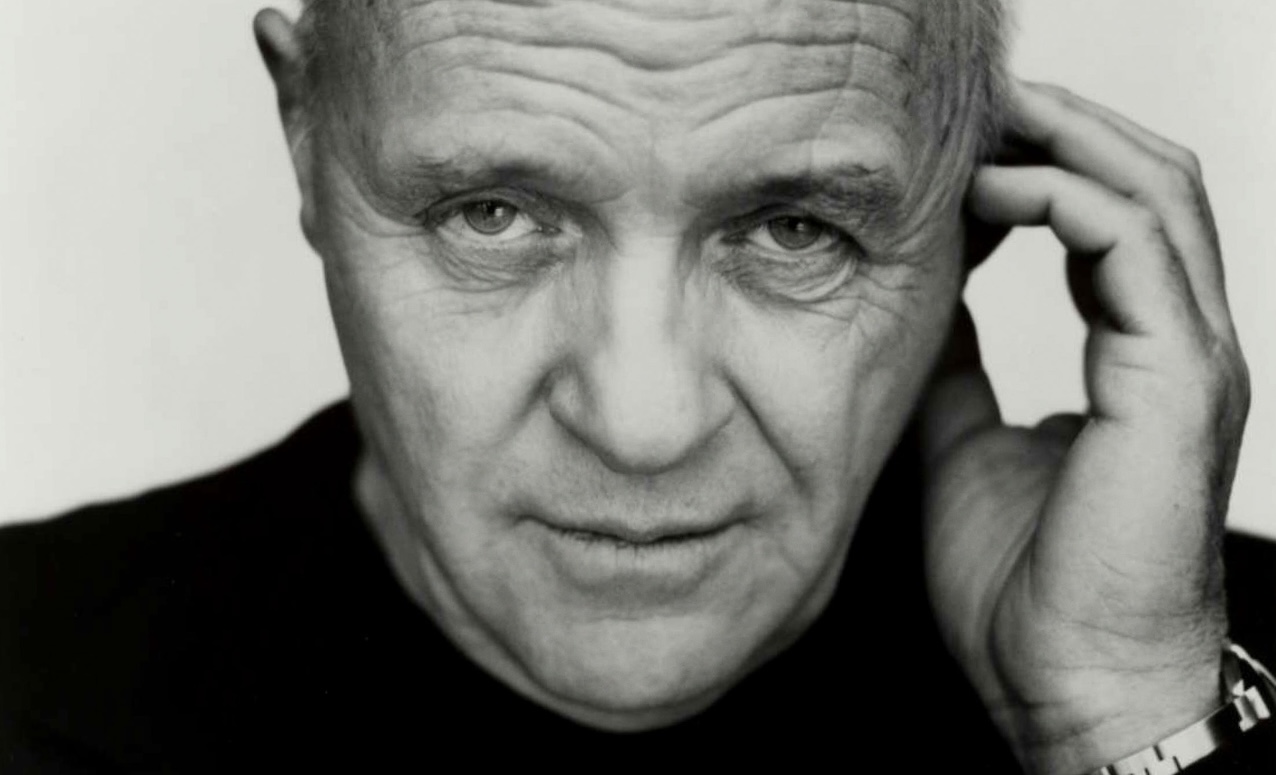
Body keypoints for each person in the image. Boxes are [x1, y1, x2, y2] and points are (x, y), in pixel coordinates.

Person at [1, 1, 1272, 772]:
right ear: (307, 138)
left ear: (969, 199)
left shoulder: (1193, 670)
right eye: (491, 213)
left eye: (794, 229)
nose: (642, 425)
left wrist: (1120, 715)